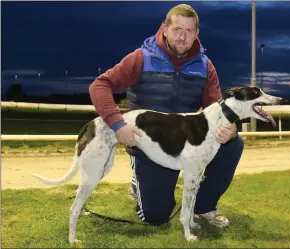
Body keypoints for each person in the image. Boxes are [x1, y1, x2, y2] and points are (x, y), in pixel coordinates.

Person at [89, 4, 244, 228]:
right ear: (165, 28)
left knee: (233, 144)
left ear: (196, 34)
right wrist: (117, 124)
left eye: (189, 31)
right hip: (149, 146)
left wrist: (230, 128)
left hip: (186, 145)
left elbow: (217, 109)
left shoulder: (205, 66)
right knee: (156, 217)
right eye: (177, 29)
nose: (183, 37)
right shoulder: (141, 58)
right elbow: (100, 85)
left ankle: (204, 206)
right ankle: (138, 182)